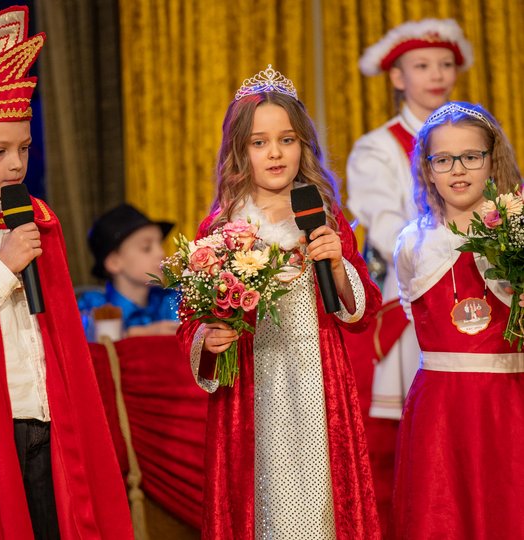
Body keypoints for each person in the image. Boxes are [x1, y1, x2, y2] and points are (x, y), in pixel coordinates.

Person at [177, 65, 383, 539]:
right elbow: (192, 320)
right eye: (259, 142)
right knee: (260, 502)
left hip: (317, 380)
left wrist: (335, 264)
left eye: (287, 140)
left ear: (303, 146)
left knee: (321, 503)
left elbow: (360, 310)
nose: (275, 152)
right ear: (240, 151)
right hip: (252, 385)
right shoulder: (221, 227)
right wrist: (209, 339)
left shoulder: (324, 214)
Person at [0, 7, 133, 539]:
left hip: (44, 408)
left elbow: (62, 325)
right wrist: (2, 270)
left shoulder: (39, 217)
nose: (16, 163)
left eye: (23, 148)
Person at [393, 101, 524, 539]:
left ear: (492, 160)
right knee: (443, 512)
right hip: (442, 409)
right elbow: (416, 312)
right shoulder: (413, 243)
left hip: (509, 399)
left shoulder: (516, 232)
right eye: (443, 159)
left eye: (471, 156)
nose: (458, 169)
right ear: (427, 170)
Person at [346, 19, 474, 419]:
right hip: (417, 291)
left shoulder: (480, 136)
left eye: (445, 64)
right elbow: (387, 230)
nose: (437, 75)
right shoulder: (377, 147)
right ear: (397, 77)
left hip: (485, 282)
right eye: (422, 66)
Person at [77, 203, 180, 338]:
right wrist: (138, 334)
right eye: (146, 247)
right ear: (114, 262)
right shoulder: (93, 307)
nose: (161, 253)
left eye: (160, 244)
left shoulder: (172, 302)